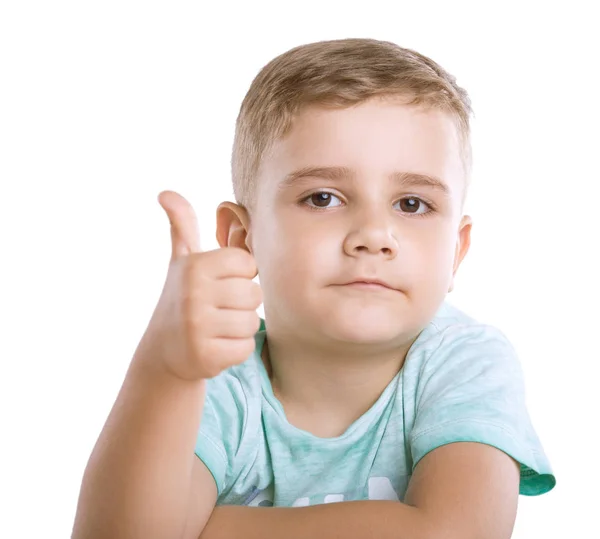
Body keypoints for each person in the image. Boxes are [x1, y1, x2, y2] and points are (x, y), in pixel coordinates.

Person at [72, 38, 555, 539]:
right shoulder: (216, 384)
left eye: (412, 204)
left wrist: (204, 529)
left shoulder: (468, 361)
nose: (373, 235)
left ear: (456, 251)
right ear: (243, 238)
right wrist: (164, 369)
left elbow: (452, 533)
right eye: (323, 198)